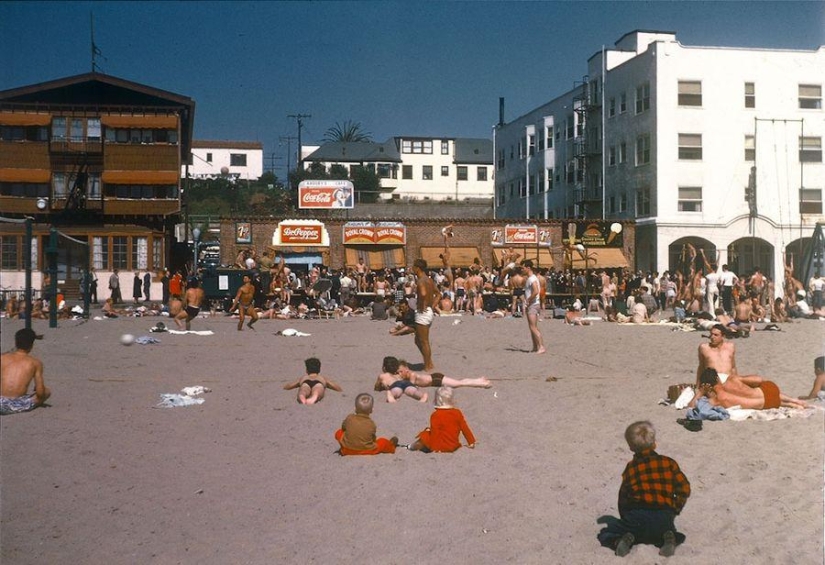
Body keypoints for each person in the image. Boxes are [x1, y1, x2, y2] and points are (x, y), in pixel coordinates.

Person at [598, 421, 690, 557]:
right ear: (654, 444)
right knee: (669, 531)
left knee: (605, 534)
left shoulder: (631, 468)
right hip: (664, 515)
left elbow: (623, 497)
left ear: (630, 447)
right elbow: (684, 488)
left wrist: (626, 517)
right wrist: (674, 509)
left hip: (637, 517)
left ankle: (620, 540)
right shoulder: (669, 462)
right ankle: (669, 537)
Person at [692, 367, 808, 410]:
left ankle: (791, 404)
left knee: (770, 399)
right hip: (768, 391)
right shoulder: (732, 379)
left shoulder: (717, 399)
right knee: (763, 388)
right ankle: (795, 400)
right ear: (717, 378)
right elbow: (758, 379)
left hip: (767, 404)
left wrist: (700, 392)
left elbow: (691, 406)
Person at [408, 386, 476, 453]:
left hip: (440, 446)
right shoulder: (457, 413)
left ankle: (412, 446)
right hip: (453, 445)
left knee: (425, 434)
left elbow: (435, 433)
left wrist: (436, 448)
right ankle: (413, 446)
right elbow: (465, 428)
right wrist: (471, 441)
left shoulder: (435, 415)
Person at [1, 328, 51, 415]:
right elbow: (40, 393)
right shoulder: (35, 363)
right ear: (31, 345)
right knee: (46, 392)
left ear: (16, 343)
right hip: (16, 405)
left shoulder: (2, 358)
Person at [394, 357, 492, 389]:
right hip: (435, 379)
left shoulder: (412, 375)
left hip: (436, 379)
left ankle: (482, 383)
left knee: (459, 384)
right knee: (458, 382)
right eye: (399, 372)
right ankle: (480, 379)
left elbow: (411, 386)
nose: (400, 373)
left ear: (406, 369)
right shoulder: (409, 375)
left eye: (401, 371)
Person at [412, 258, 439, 371]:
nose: (412, 268)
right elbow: (438, 294)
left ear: (417, 268)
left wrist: (422, 304)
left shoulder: (421, 280)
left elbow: (422, 293)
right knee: (418, 340)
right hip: (428, 311)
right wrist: (432, 306)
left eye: (413, 266)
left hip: (423, 312)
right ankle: (429, 362)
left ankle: (428, 365)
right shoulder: (429, 280)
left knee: (423, 341)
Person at [521, 260, 546, 354]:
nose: (522, 269)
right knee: (532, 326)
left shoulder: (532, 279)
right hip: (532, 304)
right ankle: (535, 346)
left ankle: (541, 346)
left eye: (523, 268)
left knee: (533, 327)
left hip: (533, 304)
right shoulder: (530, 278)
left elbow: (535, 291)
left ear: (528, 268)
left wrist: (528, 300)